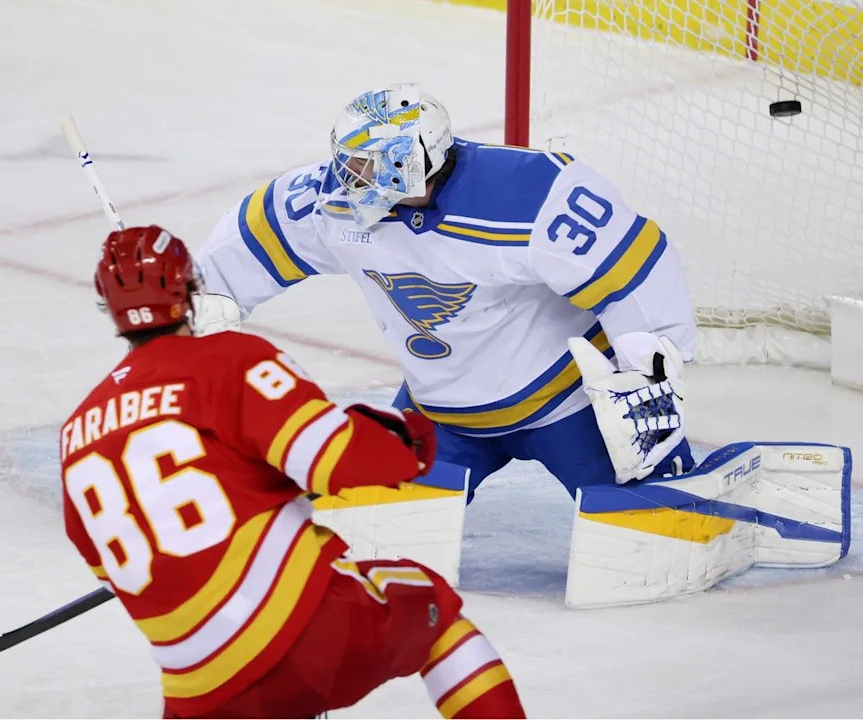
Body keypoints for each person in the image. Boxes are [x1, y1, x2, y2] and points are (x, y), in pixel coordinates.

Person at [60, 225, 526, 719]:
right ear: (189, 288)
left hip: (196, 694)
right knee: (434, 614)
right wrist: (407, 442)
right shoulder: (226, 361)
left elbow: (112, 569)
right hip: (310, 636)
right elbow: (336, 457)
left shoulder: (75, 433)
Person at [195, 83, 698, 502]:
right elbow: (253, 239)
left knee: (647, 509)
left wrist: (646, 360)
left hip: (568, 405)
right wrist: (195, 300)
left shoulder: (529, 193)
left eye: (365, 166)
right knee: (374, 524)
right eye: (347, 163)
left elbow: (633, 265)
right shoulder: (333, 203)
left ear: (410, 161)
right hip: (441, 413)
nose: (347, 179)